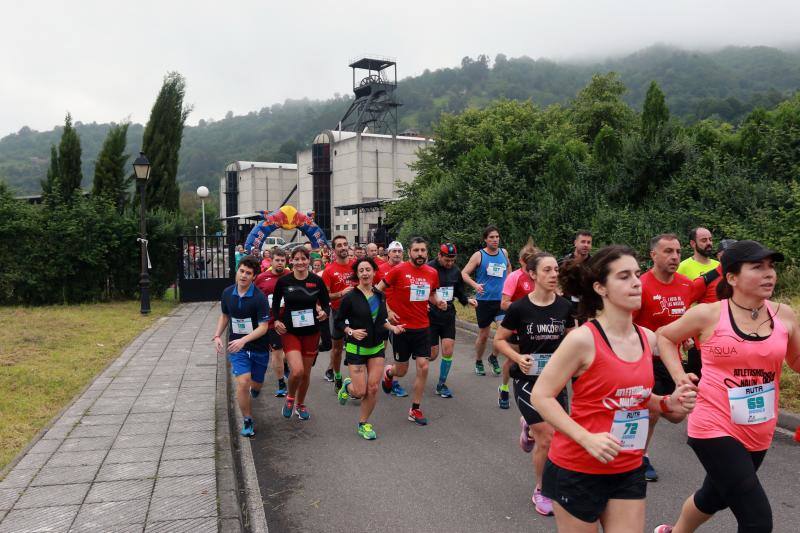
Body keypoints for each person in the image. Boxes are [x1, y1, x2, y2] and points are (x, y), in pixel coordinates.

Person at [530, 245, 697, 532]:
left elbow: (638, 397)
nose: (635, 281)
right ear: (601, 288)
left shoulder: (647, 338)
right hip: (578, 467)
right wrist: (586, 438)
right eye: (623, 276)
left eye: (636, 273)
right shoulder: (583, 340)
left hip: (628, 466)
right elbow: (541, 396)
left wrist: (669, 404)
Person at [654, 240, 800, 533]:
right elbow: (665, 337)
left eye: (771, 267)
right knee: (757, 520)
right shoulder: (708, 315)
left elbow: (797, 361)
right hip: (713, 424)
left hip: (759, 425)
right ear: (731, 277)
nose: (769, 274)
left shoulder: (784, 315)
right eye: (757, 267)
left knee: (714, 496)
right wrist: (680, 375)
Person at [494, 252, 574, 517]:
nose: (553, 275)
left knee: (559, 435)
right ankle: (542, 490)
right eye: (547, 270)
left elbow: (572, 340)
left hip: (555, 382)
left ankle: (528, 425)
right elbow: (500, 340)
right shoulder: (519, 308)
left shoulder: (564, 307)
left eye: (555, 270)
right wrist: (518, 357)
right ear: (533, 274)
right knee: (548, 436)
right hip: (528, 381)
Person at [632, 233, 698, 482]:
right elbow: (627, 324)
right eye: (668, 251)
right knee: (651, 412)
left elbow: (684, 316)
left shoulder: (685, 284)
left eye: (678, 252)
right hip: (644, 359)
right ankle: (640, 457)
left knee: (677, 413)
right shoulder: (641, 285)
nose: (675, 257)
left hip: (672, 361)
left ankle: (629, 446)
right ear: (653, 255)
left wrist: (687, 335)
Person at [376, 237, 447, 425]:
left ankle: (415, 409)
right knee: (402, 370)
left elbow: (431, 293)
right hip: (401, 329)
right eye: (416, 250)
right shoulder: (398, 270)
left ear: (427, 252)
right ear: (409, 252)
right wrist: (388, 311)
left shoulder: (432, 273)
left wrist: (438, 301)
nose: (420, 254)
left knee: (423, 366)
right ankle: (389, 373)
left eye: (423, 250)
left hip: (423, 327)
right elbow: (378, 291)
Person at [335, 257, 405, 439]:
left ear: (374, 272)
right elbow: (338, 321)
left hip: (376, 348)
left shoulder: (380, 295)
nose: (365, 273)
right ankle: (347, 385)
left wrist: (392, 327)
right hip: (356, 349)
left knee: (373, 388)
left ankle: (363, 423)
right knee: (359, 392)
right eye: (361, 271)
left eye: (368, 270)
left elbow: (381, 320)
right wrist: (350, 331)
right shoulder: (350, 297)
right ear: (357, 275)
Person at [213, 256, 270, 437]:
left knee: (256, 384)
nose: (244, 276)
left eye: (248, 273)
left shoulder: (259, 298)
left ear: (254, 277)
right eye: (242, 271)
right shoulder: (227, 293)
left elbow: (263, 327)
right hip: (237, 347)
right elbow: (224, 316)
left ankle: (256, 389)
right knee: (243, 383)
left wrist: (245, 339)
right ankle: (247, 419)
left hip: (259, 347)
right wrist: (217, 335)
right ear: (237, 271)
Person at [272, 248, 330, 421]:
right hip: (290, 332)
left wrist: (324, 313)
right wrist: (276, 321)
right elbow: (275, 304)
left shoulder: (316, 281)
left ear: (308, 261)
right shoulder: (283, 281)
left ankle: (301, 404)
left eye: (303, 259)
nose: (300, 262)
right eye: (296, 259)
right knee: (296, 371)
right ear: (292, 261)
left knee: (305, 374)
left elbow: (326, 304)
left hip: (311, 332)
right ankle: (290, 398)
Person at [427, 243, 477, 398]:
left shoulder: (456, 271)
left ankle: (441, 384)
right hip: (430, 315)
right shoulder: (429, 269)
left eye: (452, 260)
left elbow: (459, 292)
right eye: (447, 260)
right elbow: (421, 290)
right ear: (439, 255)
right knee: (432, 354)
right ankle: (418, 354)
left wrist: (467, 300)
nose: (450, 263)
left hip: (448, 315)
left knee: (448, 351)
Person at [461, 225, 511, 376]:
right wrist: (475, 285)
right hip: (484, 301)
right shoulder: (479, 255)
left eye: (497, 237)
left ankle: (493, 357)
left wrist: (510, 286)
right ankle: (478, 360)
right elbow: (464, 273)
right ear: (485, 239)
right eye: (491, 237)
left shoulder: (503, 252)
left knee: (503, 332)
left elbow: (509, 269)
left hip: (501, 301)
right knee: (483, 335)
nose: (495, 240)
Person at [497, 238, 538, 409]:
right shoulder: (514, 277)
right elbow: (504, 303)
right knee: (513, 360)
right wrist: (523, 309)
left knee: (536, 360)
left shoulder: (540, 277)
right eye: (528, 263)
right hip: (516, 326)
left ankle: (534, 393)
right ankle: (504, 388)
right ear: (521, 261)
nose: (531, 266)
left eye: (535, 262)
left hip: (536, 327)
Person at [254, 248, 290, 397]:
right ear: (272, 261)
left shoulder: (291, 275)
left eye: (283, 260)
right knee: (277, 351)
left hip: (290, 320)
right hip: (271, 321)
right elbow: (254, 297)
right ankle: (281, 382)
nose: (280, 263)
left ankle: (285, 365)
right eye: (277, 260)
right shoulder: (262, 278)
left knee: (286, 353)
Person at [374, 240, 409, 397]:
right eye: (393, 251)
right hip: (383, 314)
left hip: (401, 316)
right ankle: (375, 376)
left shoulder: (407, 268)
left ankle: (392, 381)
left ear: (403, 253)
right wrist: (386, 310)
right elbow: (375, 292)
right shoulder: (380, 270)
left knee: (398, 350)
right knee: (381, 348)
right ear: (388, 253)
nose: (396, 254)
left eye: (399, 251)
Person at [321, 235, 354, 392]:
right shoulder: (329, 270)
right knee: (337, 348)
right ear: (334, 250)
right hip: (338, 313)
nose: (343, 248)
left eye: (345, 244)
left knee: (357, 347)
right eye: (339, 245)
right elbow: (325, 296)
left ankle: (356, 380)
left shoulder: (356, 266)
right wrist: (341, 293)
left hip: (356, 313)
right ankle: (338, 376)